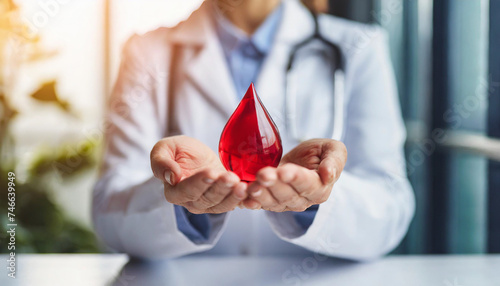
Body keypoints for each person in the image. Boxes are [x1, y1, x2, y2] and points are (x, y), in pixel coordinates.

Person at [92, 0, 415, 260]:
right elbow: (109, 214)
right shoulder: (148, 52)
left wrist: (317, 197)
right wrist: (181, 202)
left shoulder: (357, 46)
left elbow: (388, 212)